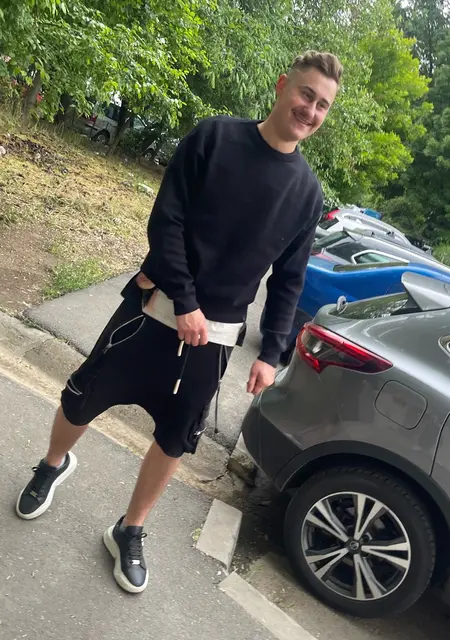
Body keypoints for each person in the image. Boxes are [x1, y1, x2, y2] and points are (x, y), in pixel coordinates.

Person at [15, 50, 343, 594]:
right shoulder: (215, 137)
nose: (310, 110)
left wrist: (271, 353)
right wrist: (186, 301)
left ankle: (129, 529)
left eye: (322, 105)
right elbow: (166, 219)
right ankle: (51, 464)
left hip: (214, 339)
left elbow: (289, 279)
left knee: (176, 438)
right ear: (283, 85)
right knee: (82, 397)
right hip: (153, 307)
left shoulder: (307, 193)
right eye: (306, 94)